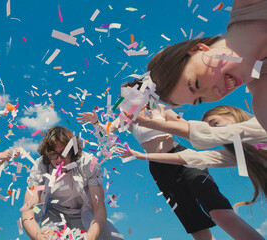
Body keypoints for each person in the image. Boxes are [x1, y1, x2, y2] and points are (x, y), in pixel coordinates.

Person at [77, 81, 262, 240]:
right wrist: (95, 122)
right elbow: (106, 132)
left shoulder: (160, 109)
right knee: (195, 225)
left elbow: (185, 127)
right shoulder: (128, 118)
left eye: (130, 92)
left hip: (183, 158)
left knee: (216, 208)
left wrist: (218, 130)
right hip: (159, 168)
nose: (125, 97)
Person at [118, 105, 267, 215]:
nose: (215, 130)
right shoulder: (239, 156)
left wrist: (147, 123)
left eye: (215, 123)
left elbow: (209, 135)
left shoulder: (260, 123)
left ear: (233, 113)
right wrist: (142, 156)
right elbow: (193, 158)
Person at [147, 0, 267, 131]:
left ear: (198, 49)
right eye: (200, 99)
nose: (214, 94)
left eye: (196, 83)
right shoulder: (263, 103)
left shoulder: (251, 4)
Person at [21, 126, 120, 240]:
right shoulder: (40, 167)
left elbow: (99, 208)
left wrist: (90, 238)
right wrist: (39, 236)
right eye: (53, 154)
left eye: (64, 154)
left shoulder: (88, 164)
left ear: (73, 152)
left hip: (86, 212)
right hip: (55, 213)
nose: (59, 160)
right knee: (49, 237)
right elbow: (29, 210)